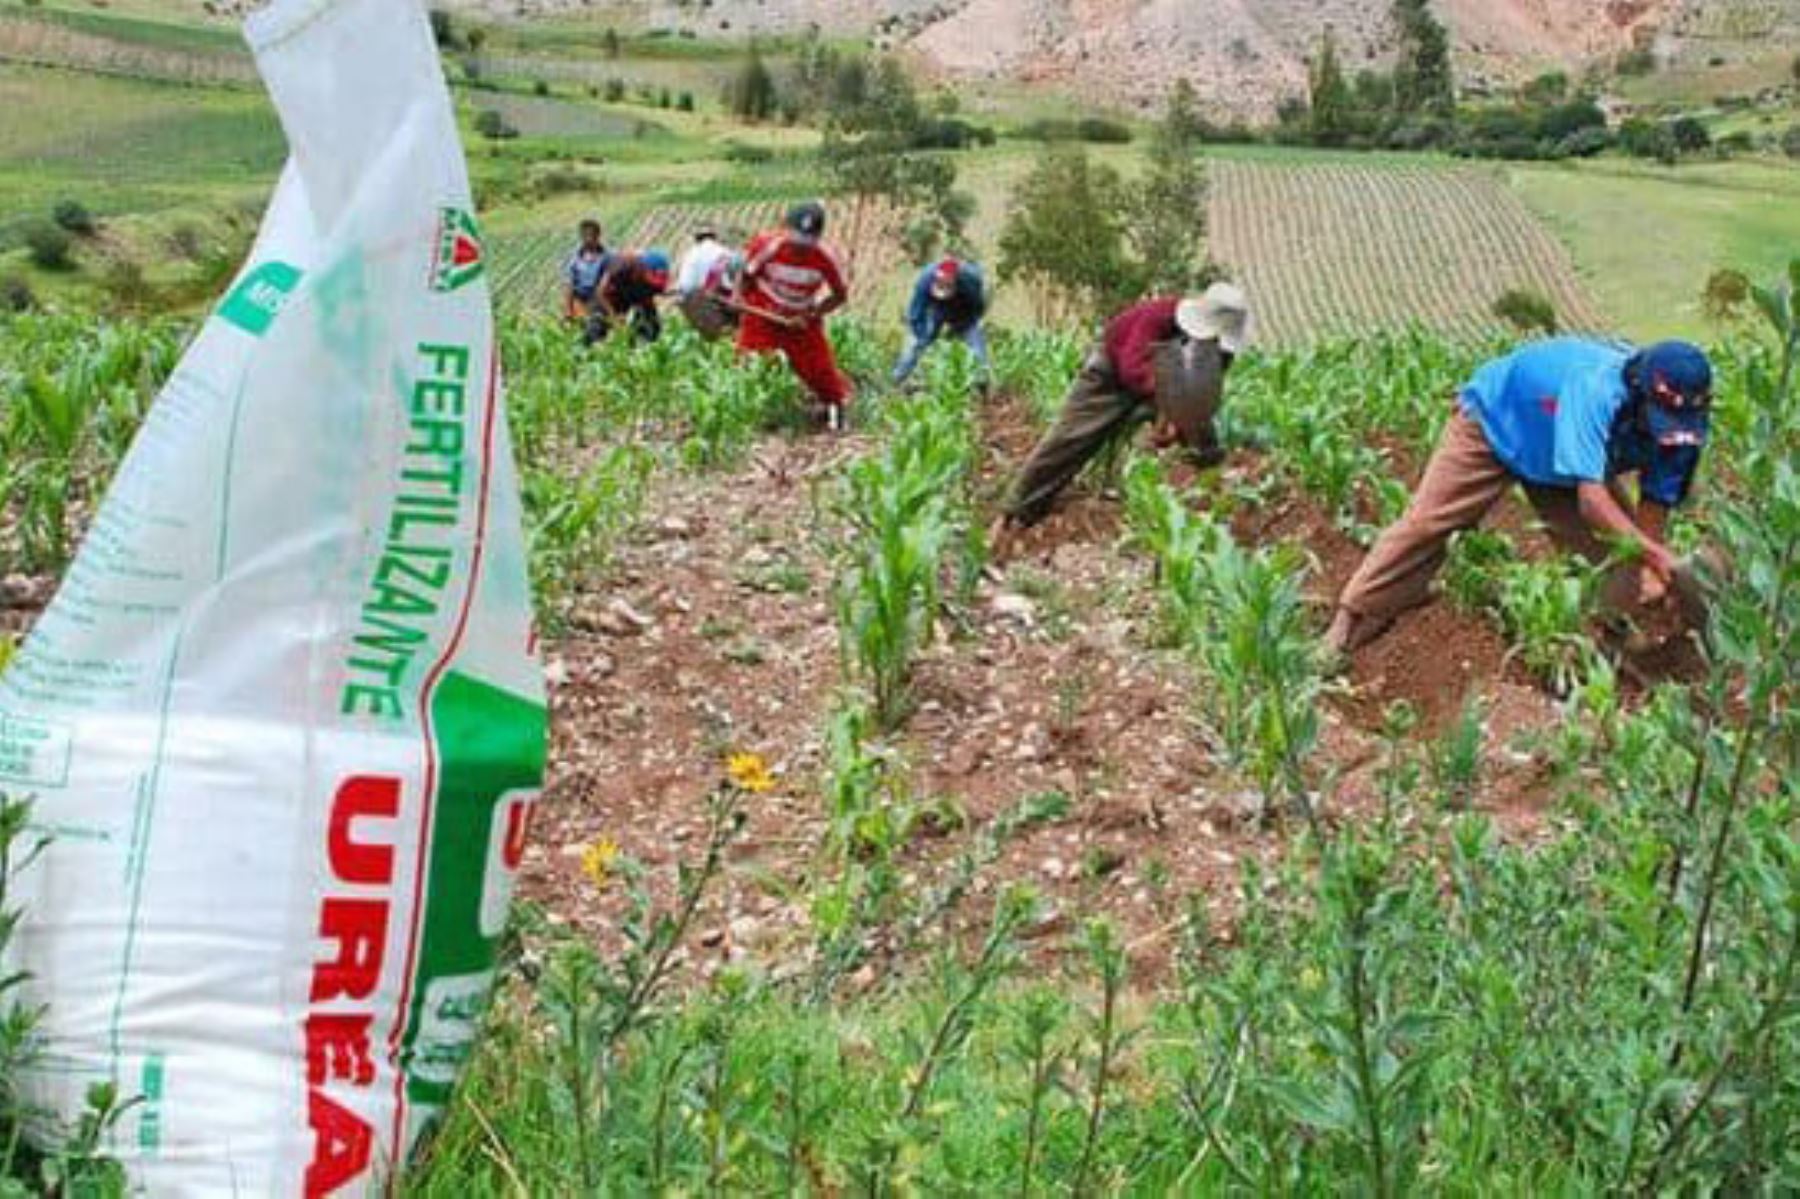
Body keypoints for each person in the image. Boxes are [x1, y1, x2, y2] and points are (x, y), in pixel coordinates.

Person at [1324, 338, 1714, 655]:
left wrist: (1651, 570)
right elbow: (1592, 502)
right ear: (1638, 393)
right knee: (1430, 521)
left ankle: (1614, 644)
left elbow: (1654, 507)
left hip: (1561, 463)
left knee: (1620, 556)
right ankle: (1351, 619)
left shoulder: (1683, 429)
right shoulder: (1596, 389)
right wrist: (1659, 558)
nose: (1670, 432)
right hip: (1497, 424)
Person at [995, 283, 1252, 533]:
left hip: (1169, 384)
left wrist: (1179, 418)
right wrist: (1168, 409)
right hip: (1110, 376)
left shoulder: (1220, 349)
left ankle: (1215, 504)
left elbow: (1208, 382)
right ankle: (1017, 509)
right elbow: (1132, 369)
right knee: (1070, 438)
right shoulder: (1157, 316)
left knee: (1202, 433)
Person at [736, 200, 852, 429]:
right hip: (763, 312)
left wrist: (812, 315)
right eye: (796, 239)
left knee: (820, 369)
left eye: (806, 242)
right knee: (752, 364)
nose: (799, 248)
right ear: (786, 228)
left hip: (801, 318)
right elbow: (747, 276)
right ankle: (753, 418)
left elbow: (839, 296)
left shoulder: (826, 258)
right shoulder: (766, 246)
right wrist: (740, 299)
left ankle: (836, 416)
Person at [891, 257, 990, 388]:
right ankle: (897, 380)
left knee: (977, 347)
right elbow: (915, 315)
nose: (942, 291)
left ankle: (981, 384)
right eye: (939, 288)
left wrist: (958, 328)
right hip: (935, 309)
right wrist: (922, 338)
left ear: (955, 283)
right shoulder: (925, 280)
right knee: (913, 346)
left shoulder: (970, 280)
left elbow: (978, 308)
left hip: (964, 311)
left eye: (947, 289)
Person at [592, 249, 671, 344]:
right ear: (643, 267)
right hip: (611, 295)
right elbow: (600, 292)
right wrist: (614, 317)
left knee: (652, 325)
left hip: (633, 291)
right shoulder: (622, 265)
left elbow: (652, 294)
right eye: (653, 275)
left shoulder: (654, 279)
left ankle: (642, 348)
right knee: (597, 325)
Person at [563, 218, 611, 340]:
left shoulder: (607, 257)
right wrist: (568, 312)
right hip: (580, 301)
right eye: (585, 236)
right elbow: (569, 285)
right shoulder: (574, 259)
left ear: (598, 236)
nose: (588, 239)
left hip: (599, 301)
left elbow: (607, 284)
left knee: (595, 329)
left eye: (592, 235)